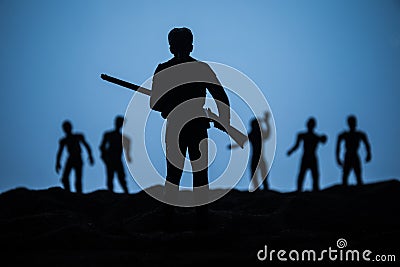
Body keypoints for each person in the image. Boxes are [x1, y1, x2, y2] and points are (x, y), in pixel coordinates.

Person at [149, 27, 231, 225]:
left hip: (183, 126)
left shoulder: (165, 69)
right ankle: (195, 218)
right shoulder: (200, 68)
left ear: (170, 47)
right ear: (191, 45)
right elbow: (220, 96)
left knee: (180, 174)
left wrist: (167, 104)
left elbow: (154, 103)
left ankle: (177, 218)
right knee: (192, 174)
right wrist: (224, 119)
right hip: (191, 126)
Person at [228, 112, 271, 191]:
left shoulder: (258, 134)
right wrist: (232, 146)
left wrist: (267, 122)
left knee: (262, 174)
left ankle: (264, 189)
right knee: (255, 175)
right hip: (255, 157)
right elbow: (242, 142)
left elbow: (268, 134)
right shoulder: (253, 134)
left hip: (260, 157)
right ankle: (258, 189)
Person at [287, 117, 327, 192]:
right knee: (302, 174)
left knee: (314, 175)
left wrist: (323, 138)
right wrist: (291, 151)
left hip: (311, 157)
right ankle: (300, 189)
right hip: (306, 157)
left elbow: (324, 141)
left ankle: (315, 190)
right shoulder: (303, 135)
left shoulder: (315, 137)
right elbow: (296, 145)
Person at [55, 120, 94, 193]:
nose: (66, 129)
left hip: (78, 158)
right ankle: (68, 193)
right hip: (70, 158)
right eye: (65, 128)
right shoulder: (64, 140)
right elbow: (59, 152)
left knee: (78, 179)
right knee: (65, 178)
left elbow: (86, 145)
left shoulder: (78, 136)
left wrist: (90, 155)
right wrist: (57, 162)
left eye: (67, 127)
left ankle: (78, 194)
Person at [336, 115, 371, 186]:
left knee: (358, 175)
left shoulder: (360, 134)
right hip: (348, 155)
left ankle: (359, 189)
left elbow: (367, 144)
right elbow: (338, 146)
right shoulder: (344, 135)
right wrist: (338, 158)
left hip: (354, 155)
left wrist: (368, 154)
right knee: (345, 176)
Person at [100, 116, 132, 194]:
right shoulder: (108, 135)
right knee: (111, 177)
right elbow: (102, 147)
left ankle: (126, 192)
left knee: (121, 177)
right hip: (110, 158)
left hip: (117, 159)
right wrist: (104, 157)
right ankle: (112, 193)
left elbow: (127, 152)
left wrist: (128, 157)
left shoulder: (125, 139)